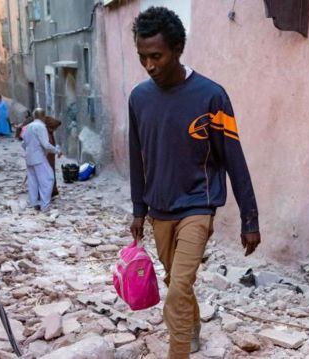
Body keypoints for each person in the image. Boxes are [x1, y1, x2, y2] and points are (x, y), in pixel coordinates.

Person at [128, 7, 261, 358]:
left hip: (198, 207)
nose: (149, 65)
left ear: (177, 49)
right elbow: (136, 158)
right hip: (159, 209)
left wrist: (250, 219)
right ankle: (194, 325)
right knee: (177, 283)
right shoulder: (139, 98)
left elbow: (234, 159)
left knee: (177, 289)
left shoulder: (211, 96)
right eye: (143, 57)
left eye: (156, 56)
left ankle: (179, 350)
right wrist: (138, 210)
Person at [22, 108, 62, 212]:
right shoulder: (41, 126)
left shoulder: (28, 127)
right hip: (38, 157)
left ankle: (34, 203)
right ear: (43, 117)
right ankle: (45, 205)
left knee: (33, 181)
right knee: (48, 179)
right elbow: (46, 144)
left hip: (29, 157)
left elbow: (23, 143)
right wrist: (57, 150)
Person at [44, 116, 62, 197]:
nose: (55, 130)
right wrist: (57, 151)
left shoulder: (49, 133)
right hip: (46, 158)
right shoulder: (46, 135)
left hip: (50, 158)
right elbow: (48, 147)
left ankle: (52, 191)